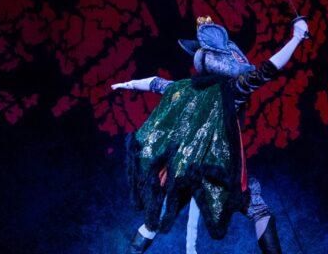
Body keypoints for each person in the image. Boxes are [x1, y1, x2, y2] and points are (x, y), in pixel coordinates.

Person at [112, 15, 308, 253]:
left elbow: (157, 83)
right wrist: (296, 37)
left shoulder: (186, 88)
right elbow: (267, 70)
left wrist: (129, 84)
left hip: (183, 169)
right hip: (215, 171)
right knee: (257, 207)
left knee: (158, 216)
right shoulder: (231, 91)